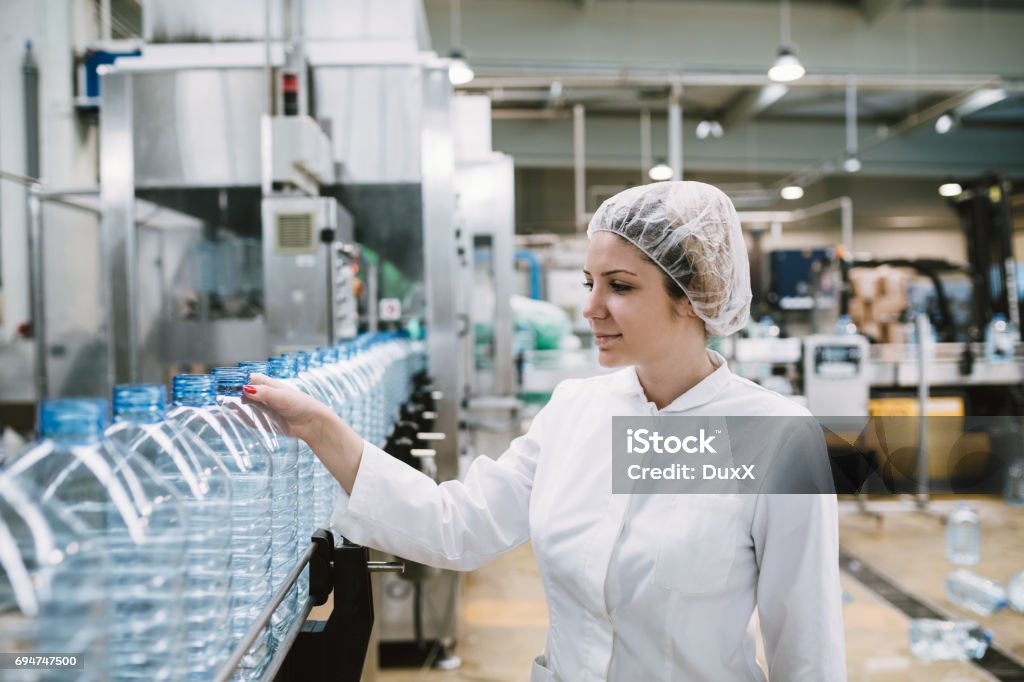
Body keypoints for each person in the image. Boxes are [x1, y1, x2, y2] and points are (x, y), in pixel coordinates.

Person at [244, 181, 847, 681]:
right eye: (591, 283)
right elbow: (459, 526)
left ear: (695, 296)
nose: (591, 307)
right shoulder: (577, 410)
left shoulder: (772, 438)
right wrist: (320, 426)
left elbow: (808, 649)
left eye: (622, 286)